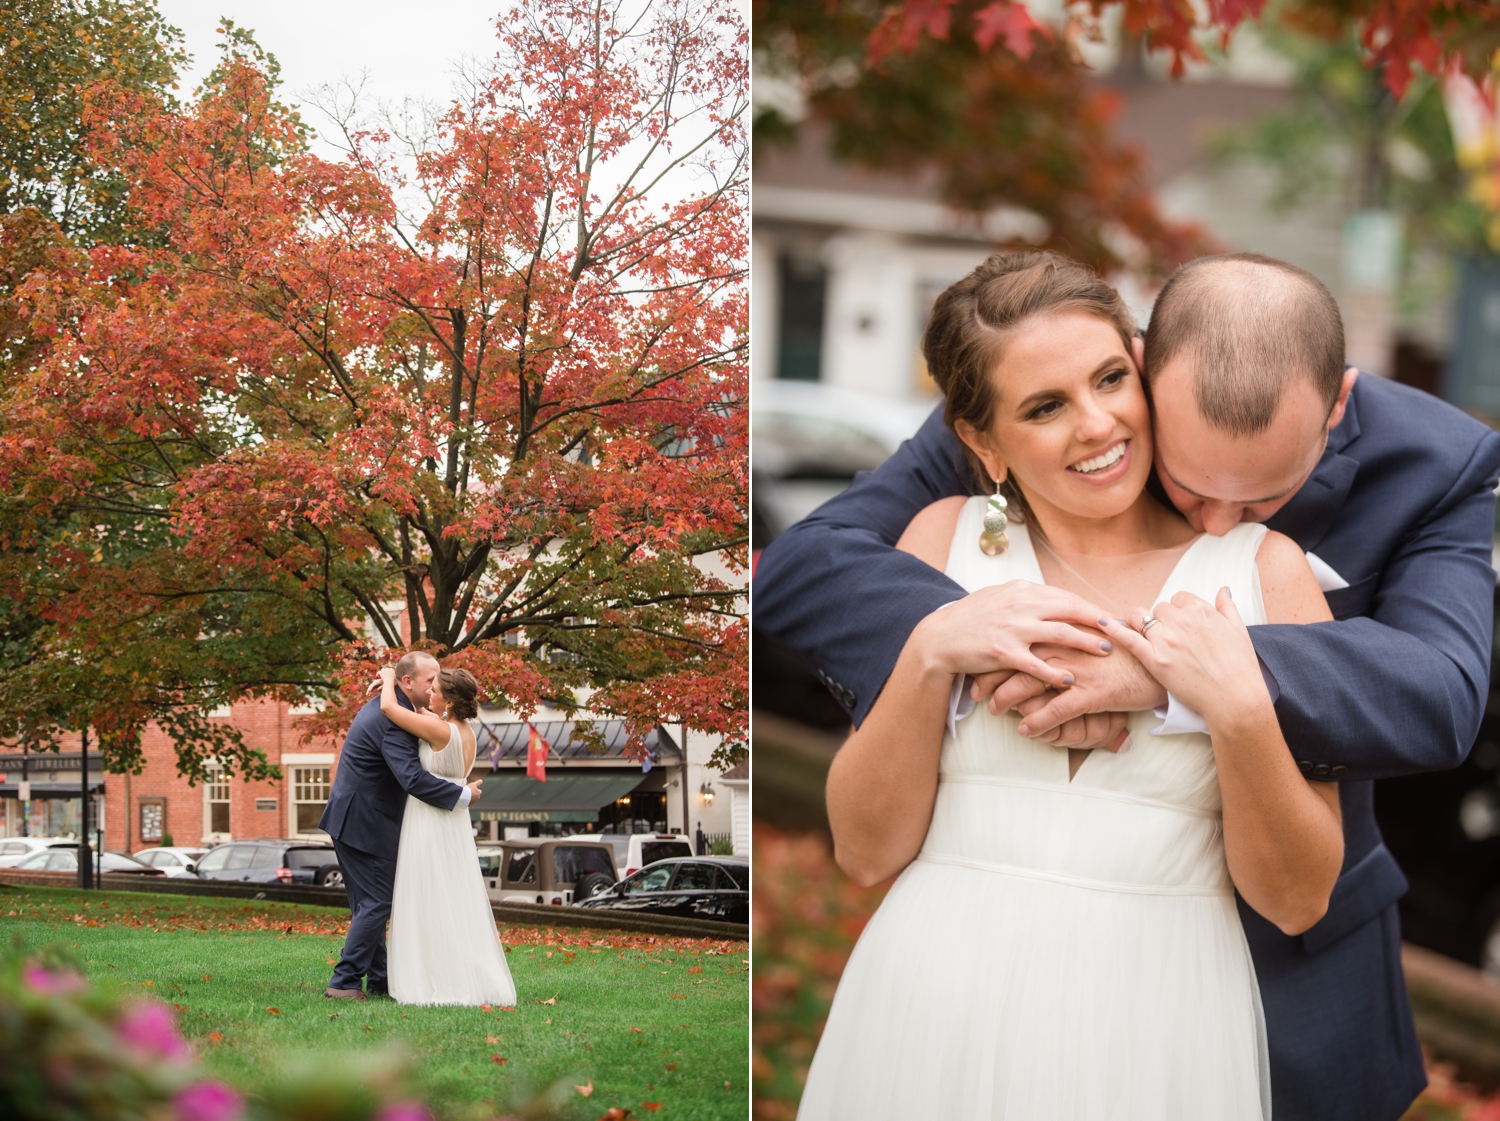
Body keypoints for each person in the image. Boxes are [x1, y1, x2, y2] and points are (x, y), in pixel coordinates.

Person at [756, 251, 1500, 1121]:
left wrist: (1177, 673)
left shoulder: (1430, 470)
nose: (1213, 518)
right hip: (942, 993)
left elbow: (1442, 691)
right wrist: (965, 646)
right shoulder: (1020, 411)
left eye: (1263, 493)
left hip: (1243, 979)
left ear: (1335, 407)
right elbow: (807, 564)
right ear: (1148, 362)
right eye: (1189, 479)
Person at [320, 651, 483, 1001]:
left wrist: (389, 677)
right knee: (377, 902)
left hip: (356, 819)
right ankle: (345, 981)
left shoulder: (402, 708)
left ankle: (380, 981)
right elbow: (412, 778)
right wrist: (462, 794)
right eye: (430, 680)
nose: (434, 687)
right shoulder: (395, 716)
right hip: (364, 822)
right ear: (409, 683)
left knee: (371, 903)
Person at [375, 662, 517, 1006]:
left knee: (427, 895)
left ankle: (432, 979)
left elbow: (388, 708)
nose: (428, 695)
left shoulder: (439, 731)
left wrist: (387, 677)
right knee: (451, 898)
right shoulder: (465, 732)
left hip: (429, 820)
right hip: (453, 823)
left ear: (449, 702)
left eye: (434, 691)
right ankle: (458, 971)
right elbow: (426, 713)